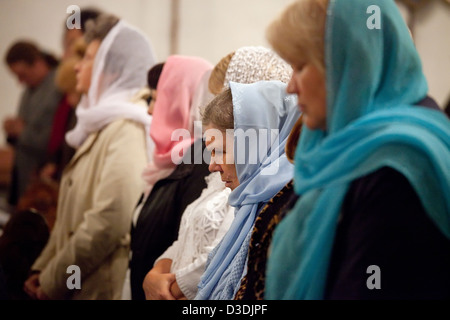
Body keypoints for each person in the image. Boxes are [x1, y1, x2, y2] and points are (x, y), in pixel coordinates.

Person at [265, 0, 450, 300]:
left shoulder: (397, 168)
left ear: (349, 62)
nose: (290, 87)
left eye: (300, 67)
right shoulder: (336, 147)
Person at [142, 46, 295, 300]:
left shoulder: (277, 201)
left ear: (252, 139)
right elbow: (187, 237)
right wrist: (156, 273)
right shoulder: (247, 192)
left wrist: (169, 288)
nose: (211, 164)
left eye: (220, 151)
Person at [23, 14, 156, 300]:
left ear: (111, 68)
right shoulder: (101, 125)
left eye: (89, 58)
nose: (78, 66)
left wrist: (54, 278)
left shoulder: (126, 128)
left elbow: (110, 219)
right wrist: (42, 268)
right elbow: (68, 222)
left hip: (98, 286)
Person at [195, 80, 300, 300]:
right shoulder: (254, 203)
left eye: (219, 151)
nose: (212, 166)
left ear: (256, 145)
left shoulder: (288, 209)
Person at [128, 55, 213, 300]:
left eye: (157, 99)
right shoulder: (170, 161)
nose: (150, 109)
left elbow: (190, 242)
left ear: (182, 101)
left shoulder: (202, 161)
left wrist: (157, 276)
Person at [3, 41, 63, 206]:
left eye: (23, 75)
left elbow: (55, 138)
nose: (20, 82)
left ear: (38, 64)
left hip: (43, 177)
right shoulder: (30, 90)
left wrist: (21, 131)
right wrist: (12, 130)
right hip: (23, 175)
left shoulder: (58, 87)